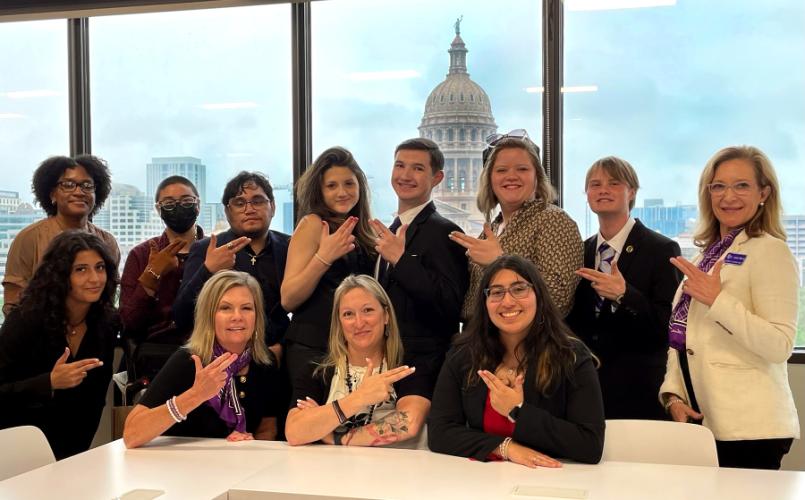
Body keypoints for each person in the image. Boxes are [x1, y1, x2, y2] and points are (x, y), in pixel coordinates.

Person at [659, 146, 799, 470]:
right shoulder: (707, 255)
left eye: (742, 185)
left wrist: (718, 301)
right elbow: (683, 338)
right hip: (705, 422)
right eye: (718, 186)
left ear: (764, 193)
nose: (728, 196)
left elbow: (779, 345)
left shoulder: (771, 251)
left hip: (752, 428)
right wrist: (673, 396)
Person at [428, 256, 604, 467]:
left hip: (551, 477)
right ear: (485, 303)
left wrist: (517, 410)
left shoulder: (571, 355)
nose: (508, 301)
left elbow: (590, 445)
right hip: (481, 478)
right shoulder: (463, 354)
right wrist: (506, 448)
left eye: (519, 289)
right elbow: (440, 432)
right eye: (497, 292)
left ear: (538, 295)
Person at [566, 157, 681, 420]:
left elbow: (667, 326)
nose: (603, 190)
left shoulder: (661, 249)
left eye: (614, 183)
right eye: (595, 184)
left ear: (632, 192)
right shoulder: (580, 251)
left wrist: (625, 295)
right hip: (588, 389)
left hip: (640, 389)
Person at [123, 271, 285, 448]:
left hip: (238, 463)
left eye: (246, 308)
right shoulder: (188, 361)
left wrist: (250, 445)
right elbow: (131, 434)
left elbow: (267, 429)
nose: (237, 316)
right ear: (209, 316)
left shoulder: (265, 362)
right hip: (185, 463)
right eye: (225, 308)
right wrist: (196, 395)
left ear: (257, 315)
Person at [0, 231, 119, 459]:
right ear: (60, 275)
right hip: (17, 445)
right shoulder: (25, 320)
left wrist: (77, 456)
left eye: (100, 267)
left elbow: (95, 399)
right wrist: (49, 382)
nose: (95, 278)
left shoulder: (107, 322)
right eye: (81, 269)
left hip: (75, 448)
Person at [368, 138, 468, 396]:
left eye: (418, 168)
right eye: (400, 165)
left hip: (423, 369)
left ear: (437, 178)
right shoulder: (388, 232)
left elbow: (450, 304)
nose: (405, 175)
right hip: (382, 362)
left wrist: (402, 261)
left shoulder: (444, 232)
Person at [449, 129, 582, 319]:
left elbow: (558, 297)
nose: (511, 176)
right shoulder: (492, 229)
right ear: (489, 179)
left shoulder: (553, 220)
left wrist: (499, 261)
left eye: (522, 169)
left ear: (537, 176)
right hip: (485, 335)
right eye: (501, 170)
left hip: (531, 338)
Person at [285, 275, 430, 447]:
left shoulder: (409, 365)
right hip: (337, 465)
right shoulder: (317, 370)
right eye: (348, 314)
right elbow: (295, 432)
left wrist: (336, 437)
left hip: (401, 464)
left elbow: (407, 423)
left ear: (386, 316)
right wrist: (359, 398)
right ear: (339, 323)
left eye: (368, 310)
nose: (359, 323)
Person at [282, 147, 375, 382]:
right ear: (319, 191)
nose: (342, 192)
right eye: (331, 186)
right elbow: (288, 298)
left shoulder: (365, 230)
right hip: (314, 346)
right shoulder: (313, 224)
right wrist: (323, 258)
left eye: (349, 184)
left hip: (353, 345)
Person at [174, 172, 289, 355]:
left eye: (258, 201)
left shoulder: (289, 247)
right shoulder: (206, 249)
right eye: (240, 203)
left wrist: (282, 347)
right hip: (221, 357)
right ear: (227, 212)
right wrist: (208, 270)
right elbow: (181, 316)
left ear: (273, 207)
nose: (249, 209)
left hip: (278, 354)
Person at [3, 155, 120, 316]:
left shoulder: (107, 241)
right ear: (52, 194)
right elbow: (13, 303)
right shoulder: (29, 238)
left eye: (87, 185)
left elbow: (108, 300)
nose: (79, 192)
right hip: (38, 328)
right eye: (68, 185)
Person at [120, 175, 204, 382]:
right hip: (155, 360)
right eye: (169, 203)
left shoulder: (214, 251)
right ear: (158, 209)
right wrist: (152, 274)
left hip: (206, 354)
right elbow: (128, 322)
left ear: (198, 205)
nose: (178, 208)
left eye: (186, 201)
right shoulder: (141, 254)